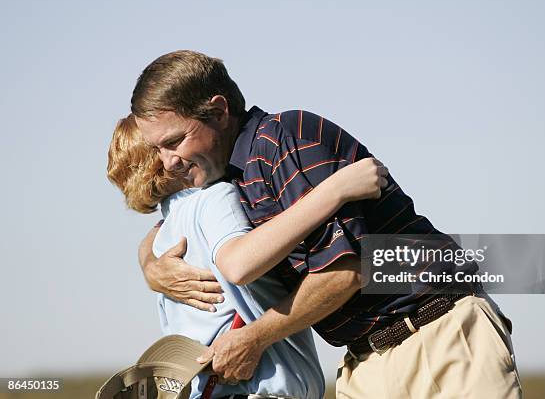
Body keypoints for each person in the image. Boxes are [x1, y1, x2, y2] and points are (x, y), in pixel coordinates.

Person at [131, 50, 523, 398]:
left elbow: (344, 273)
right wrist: (150, 265)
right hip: (365, 362)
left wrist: (252, 340)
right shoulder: (228, 179)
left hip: (437, 337)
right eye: (157, 149)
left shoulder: (282, 139)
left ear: (218, 112)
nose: (167, 161)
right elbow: (173, 222)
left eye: (175, 141)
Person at [107, 114, 388, 398]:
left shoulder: (164, 236)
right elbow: (238, 264)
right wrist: (335, 190)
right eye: (168, 143)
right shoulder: (215, 198)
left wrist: (147, 262)